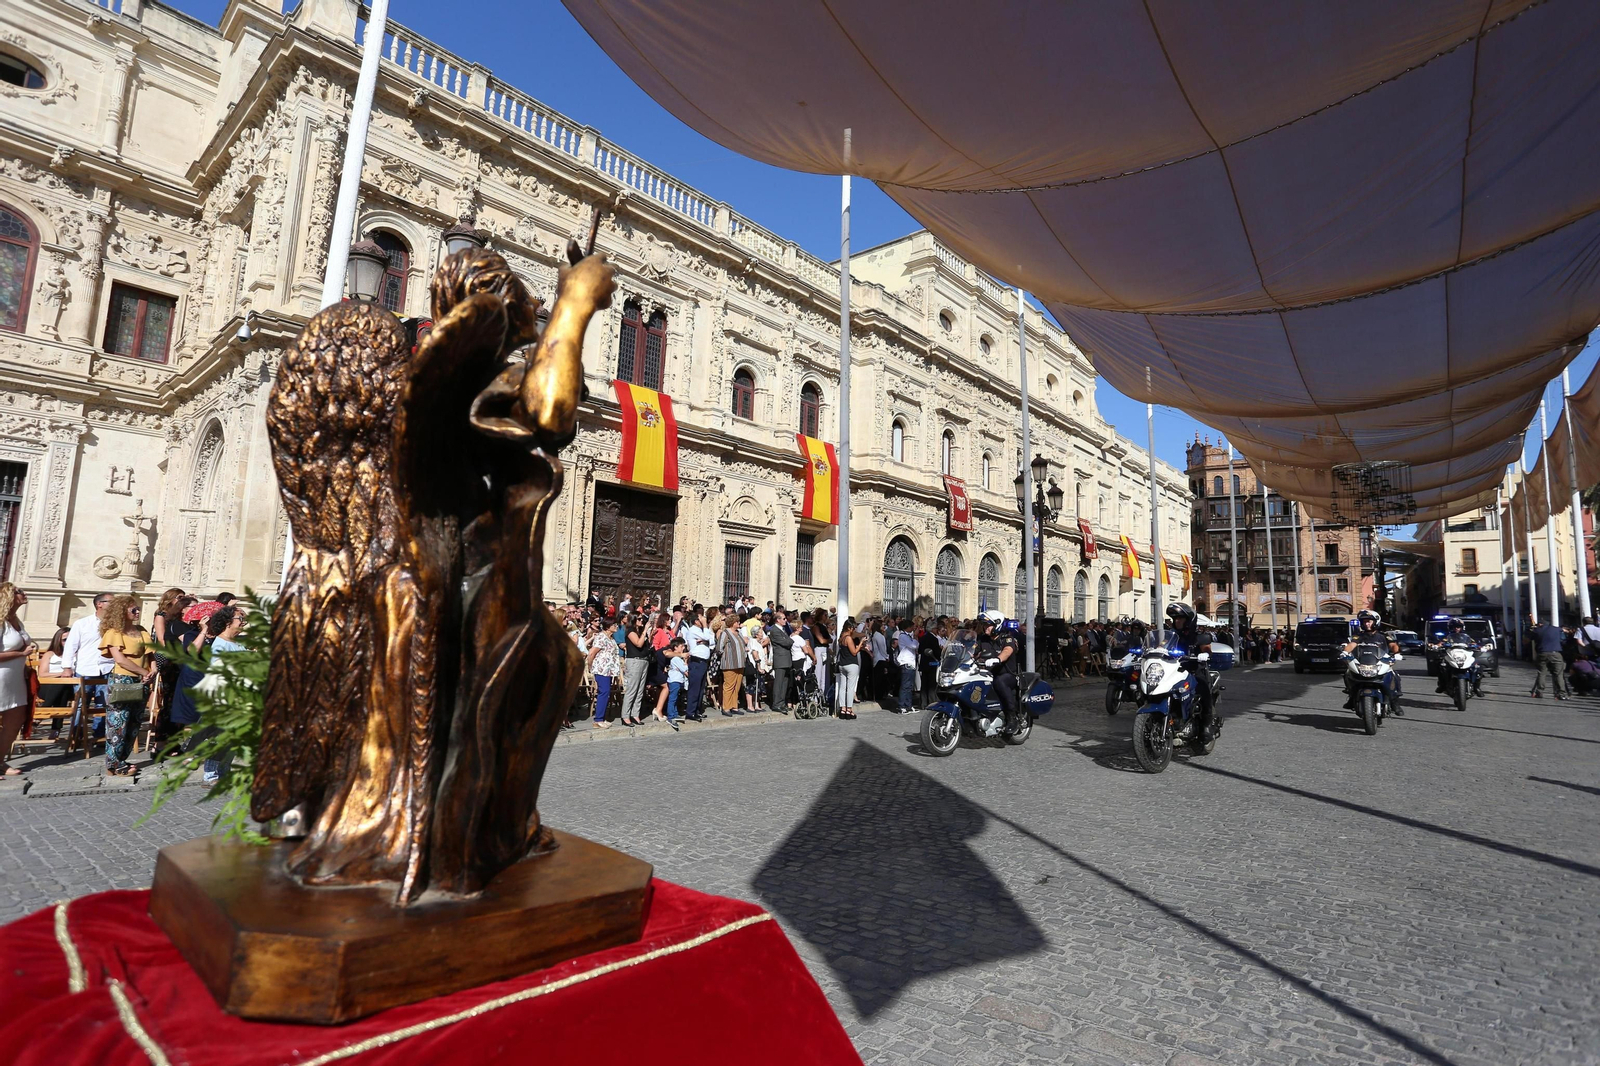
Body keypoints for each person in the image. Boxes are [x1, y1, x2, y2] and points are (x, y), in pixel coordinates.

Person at [99, 594, 154, 777]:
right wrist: (143, 672)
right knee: (118, 722)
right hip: (123, 680)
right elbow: (120, 660)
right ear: (122, 611)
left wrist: (152, 671)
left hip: (142, 680)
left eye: (137, 608)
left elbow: (151, 654)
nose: (137, 612)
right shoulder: (114, 632)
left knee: (134, 722)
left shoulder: (141, 630)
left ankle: (122, 758)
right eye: (133, 609)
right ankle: (113, 764)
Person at [1166, 602, 1221, 736]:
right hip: (1173, 670)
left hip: (1193, 670)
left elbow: (1207, 649)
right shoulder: (1169, 635)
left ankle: (1206, 725)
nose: (1177, 621)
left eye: (1180, 618)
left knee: (1203, 688)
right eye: (1175, 618)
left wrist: (1205, 654)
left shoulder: (1198, 635)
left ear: (1188, 620)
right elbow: (1159, 647)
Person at [0, 584, 35, 776]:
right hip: (1, 676)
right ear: (9, 596)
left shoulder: (17, 621)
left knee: (15, 721)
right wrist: (20, 653)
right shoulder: (1, 621)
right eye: (19, 591)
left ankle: (0, 760)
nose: (24, 593)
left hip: (15, 677)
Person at [1341, 609, 1401, 713]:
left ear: (1375, 622)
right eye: (1364, 622)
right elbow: (1352, 644)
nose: (1367, 624)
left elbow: (1393, 645)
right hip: (1363, 662)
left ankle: (1394, 702)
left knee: (1394, 675)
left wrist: (1397, 653)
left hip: (1380, 662)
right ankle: (1351, 697)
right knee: (1348, 674)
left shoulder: (1384, 635)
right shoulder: (1358, 635)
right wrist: (1345, 652)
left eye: (1369, 621)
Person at [975, 609, 1023, 731]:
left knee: (1000, 682)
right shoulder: (982, 639)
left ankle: (1011, 717)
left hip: (1008, 674)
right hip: (988, 673)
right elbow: (972, 651)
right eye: (984, 625)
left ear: (997, 624)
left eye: (988, 625)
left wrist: (998, 659)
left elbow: (1007, 651)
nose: (985, 627)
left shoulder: (1007, 638)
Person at [619, 611, 654, 727]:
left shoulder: (640, 631)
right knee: (632, 689)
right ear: (633, 620)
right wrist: (645, 631)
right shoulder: (630, 631)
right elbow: (638, 644)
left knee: (640, 690)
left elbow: (645, 645)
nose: (641, 621)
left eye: (642, 619)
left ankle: (635, 714)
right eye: (639, 619)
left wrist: (649, 633)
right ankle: (625, 716)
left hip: (644, 660)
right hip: (634, 660)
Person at [587, 618, 622, 729]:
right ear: (608, 626)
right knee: (604, 692)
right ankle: (598, 719)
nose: (616, 626)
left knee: (606, 692)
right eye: (614, 624)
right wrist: (590, 665)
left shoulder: (611, 638)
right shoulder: (601, 637)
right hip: (601, 669)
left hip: (609, 670)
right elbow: (592, 653)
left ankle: (601, 717)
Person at [682, 607, 713, 722]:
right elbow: (707, 637)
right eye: (701, 620)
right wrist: (705, 628)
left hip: (704, 662)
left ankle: (697, 710)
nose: (703, 621)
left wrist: (706, 640)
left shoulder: (702, 631)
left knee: (701, 688)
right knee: (694, 688)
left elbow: (712, 640)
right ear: (696, 621)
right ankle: (690, 712)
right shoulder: (693, 630)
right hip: (696, 661)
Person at [1529, 613, 1570, 699]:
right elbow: (1563, 639)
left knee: (1541, 673)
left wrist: (1532, 630)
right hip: (1556, 653)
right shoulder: (1557, 629)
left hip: (1542, 653)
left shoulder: (1537, 630)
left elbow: (1528, 639)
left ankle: (1539, 692)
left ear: (1540, 624)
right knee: (1558, 674)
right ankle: (1561, 693)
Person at [717, 608, 746, 716]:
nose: (739, 623)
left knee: (737, 686)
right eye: (737, 622)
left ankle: (734, 706)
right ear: (733, 623)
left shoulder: (738, 633)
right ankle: (726, 707)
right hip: (730, 663)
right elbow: (719, 648)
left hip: (740, 663)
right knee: (729, 686)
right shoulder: (726, 633)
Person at [767, 609, 794, 714]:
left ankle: (782, 703)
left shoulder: (782, 629)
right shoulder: (774, 630)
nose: (785, 620)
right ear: (778, 620)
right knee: (778, 683)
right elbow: (787, 642)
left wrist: (789, 640)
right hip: (780, 659)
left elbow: (787, 640)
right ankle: (776, 703)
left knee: (784, 682)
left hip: (786, 659)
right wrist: (790, 640)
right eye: (783, 619)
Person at [836, 617, 862, 720]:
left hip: (842, 664)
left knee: (843, 687)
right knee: (850, 688)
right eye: (853, 628)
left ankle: (842, 708)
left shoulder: (841, 637)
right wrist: (860, 644)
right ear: (849, 628)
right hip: (851, 664)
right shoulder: (848, 638)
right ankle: (849, 709)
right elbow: (854, 652)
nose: (854, 630)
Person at [662, 636, 689, 731]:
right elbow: (685, 669)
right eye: (681, 646)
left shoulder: (678, 658)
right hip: (674, 680)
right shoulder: (676, 658)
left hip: (678, 680)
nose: (683, 648)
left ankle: (675, 713)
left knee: (676, 697)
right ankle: (670, 715)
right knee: (673, 698)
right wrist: (686, 661)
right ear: (675, 648)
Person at [895, 620, 919, 714]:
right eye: (911, 627)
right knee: (905, 685)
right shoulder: (903, 636)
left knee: (910, 686)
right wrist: (916, 637)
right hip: (906, 663)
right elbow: (914, 645)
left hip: (911, 663)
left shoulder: (908, 636)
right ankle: (902, 706)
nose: (913, 629)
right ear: (907, 627)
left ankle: (908, 705)